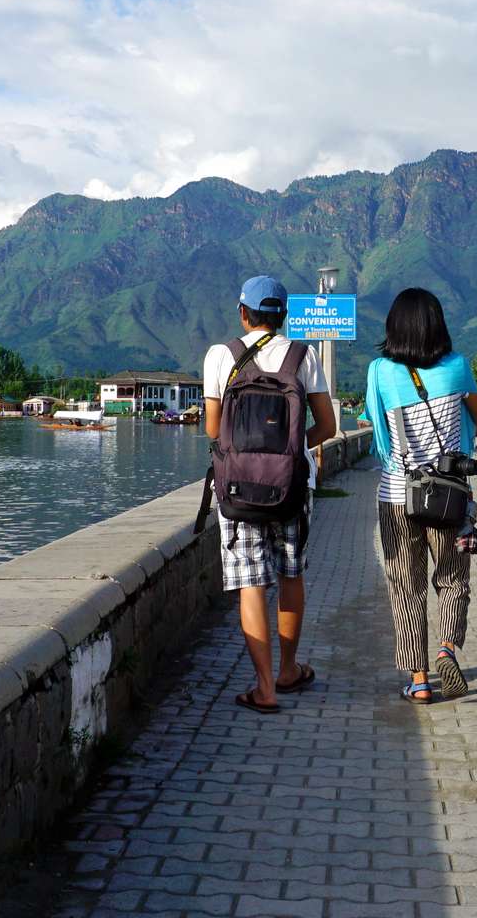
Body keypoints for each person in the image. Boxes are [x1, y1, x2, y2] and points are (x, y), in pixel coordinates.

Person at [203, 274, 336, 716]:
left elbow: (213, 429)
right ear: (284, 315)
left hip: (237, 488)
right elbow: (328, 427)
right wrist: (290, 452)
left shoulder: (221, 355)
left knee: (251, 584)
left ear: (243, 313)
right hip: (292, 486)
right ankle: (289, 669)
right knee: (290, 576)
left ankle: (263, 688)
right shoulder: (303, 355)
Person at [364, 287, 477, 704]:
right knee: (452, 577)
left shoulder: (380, 372)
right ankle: (446, 649)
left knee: (406, 585)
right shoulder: (457, 367)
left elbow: (374, 423)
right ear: (438, 325)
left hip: (398, 495)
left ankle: (419, 681)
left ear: (394, 327)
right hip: (449, 496)